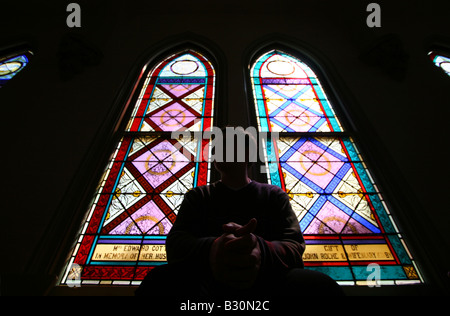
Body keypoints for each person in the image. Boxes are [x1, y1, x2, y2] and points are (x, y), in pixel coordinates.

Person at [135, 126, 343, 298]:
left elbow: (293, 246)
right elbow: (176, 244)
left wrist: (258, 249)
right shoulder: (198, 196)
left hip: (267, 282)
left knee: (319, 287)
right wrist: (215, 247)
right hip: (205, 281)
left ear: (247, 155)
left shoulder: (274, 195)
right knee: (160, 281)